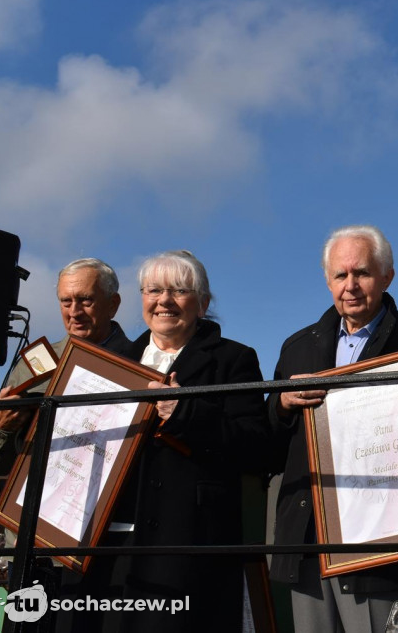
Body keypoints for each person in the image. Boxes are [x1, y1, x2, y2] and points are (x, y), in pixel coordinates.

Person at [79, 250, 270, 632]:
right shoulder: (115, 361)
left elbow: (255, 445)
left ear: (203, 303)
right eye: (153, 290)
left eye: (179, 290)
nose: (163, 301)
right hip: (112, 542)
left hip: (189, 543)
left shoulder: (233, 359)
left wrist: (183, 413)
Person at [269, 225, 398, 633]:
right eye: (340, 275)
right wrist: (279, 405)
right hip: (310, 540)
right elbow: (270, 447)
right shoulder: (297, 347)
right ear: (327, 280)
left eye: (362, 273)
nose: (350, 285)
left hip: (384, 547)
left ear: (387, 276)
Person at [0, 258, 134, 476]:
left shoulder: (140, 364)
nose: (74, 312)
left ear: (113, 304)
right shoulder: (32, 364)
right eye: (66, 302)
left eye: (86, 301)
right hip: (33, 502)